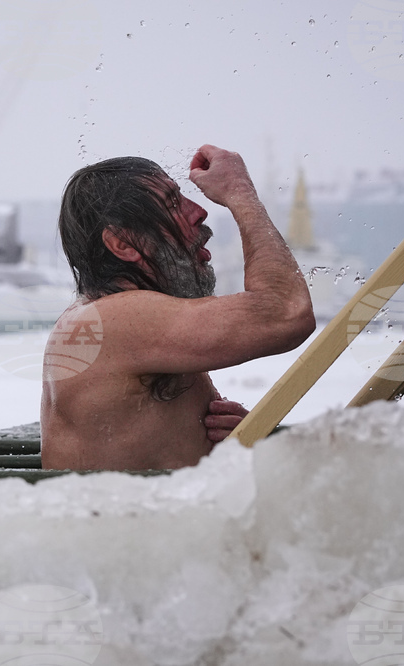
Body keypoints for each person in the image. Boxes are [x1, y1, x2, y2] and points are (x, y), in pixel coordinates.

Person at [41, 145, 315, 471]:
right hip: (133, 521)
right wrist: (240, 193)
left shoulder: (107, 317)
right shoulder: (118, 318)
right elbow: (287, 311)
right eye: (172, 203)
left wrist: (232, 442)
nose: (199, 211)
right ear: (123, 244)